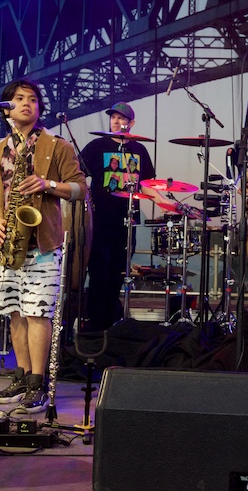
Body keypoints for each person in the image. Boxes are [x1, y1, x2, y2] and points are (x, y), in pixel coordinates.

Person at [0, 78, 88, 412]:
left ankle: (38, 384)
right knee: (14, 314)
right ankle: (22, 376)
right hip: (6, 244)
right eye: (20, 98)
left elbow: (80, 189)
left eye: (34, 99)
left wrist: (48, 183)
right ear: (6, 108)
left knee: (38, 313)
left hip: (42, 245)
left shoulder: (57, 146)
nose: (28, 103)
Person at [80, 101, 160, 331]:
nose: (116, 121)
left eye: (121, 118)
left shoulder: (139, 150)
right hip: (99, 221)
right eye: (113, 117)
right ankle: (94, 328)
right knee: (98, 275)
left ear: (131, 123)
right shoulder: (96, 146)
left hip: (128, 220)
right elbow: (76, 175)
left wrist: (166, 203)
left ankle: (110, 328)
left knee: (116, 276)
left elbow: (147, 184)